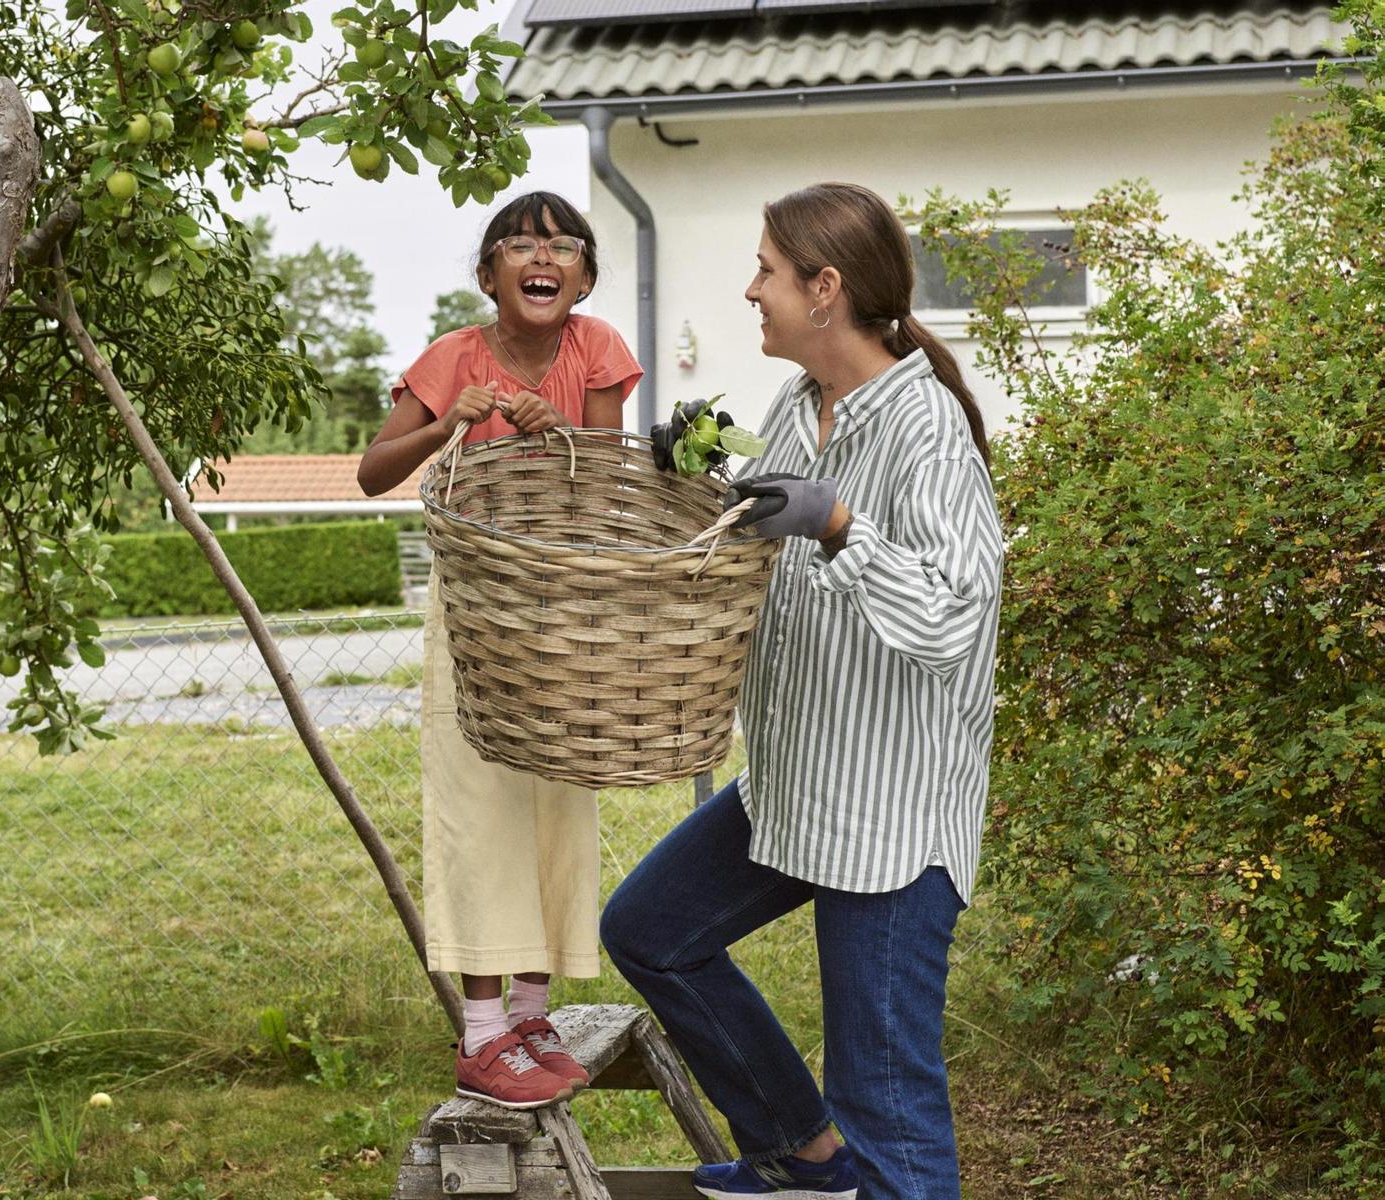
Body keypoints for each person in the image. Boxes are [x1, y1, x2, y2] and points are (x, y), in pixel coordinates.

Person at [600, 182, 1003, 1199]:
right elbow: (750, 537)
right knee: (651, 932)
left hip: (890, 813)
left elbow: (955, 620)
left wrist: (840, 530)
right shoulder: (797, 407)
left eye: (766, 272)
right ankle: (797, 1151)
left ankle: (846, 1159)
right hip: (795, 783)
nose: (749, 290)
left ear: (824, 290)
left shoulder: (925, 430)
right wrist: (686, 476)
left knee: (887, 1109)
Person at [358, 192, 643, 1110]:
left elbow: (602, 483)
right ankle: (481, 1037)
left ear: (585, 277)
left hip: (563, 606)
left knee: (560, 800)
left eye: (562, 245)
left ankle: (530, 1014)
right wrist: (450, 423)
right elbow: (373, 473)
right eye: (519, 244)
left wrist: (558, 436)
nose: (541, 255)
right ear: (490, 277)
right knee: (482, 807)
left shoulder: (597, 350)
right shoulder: (455, 358)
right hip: (479, 608)